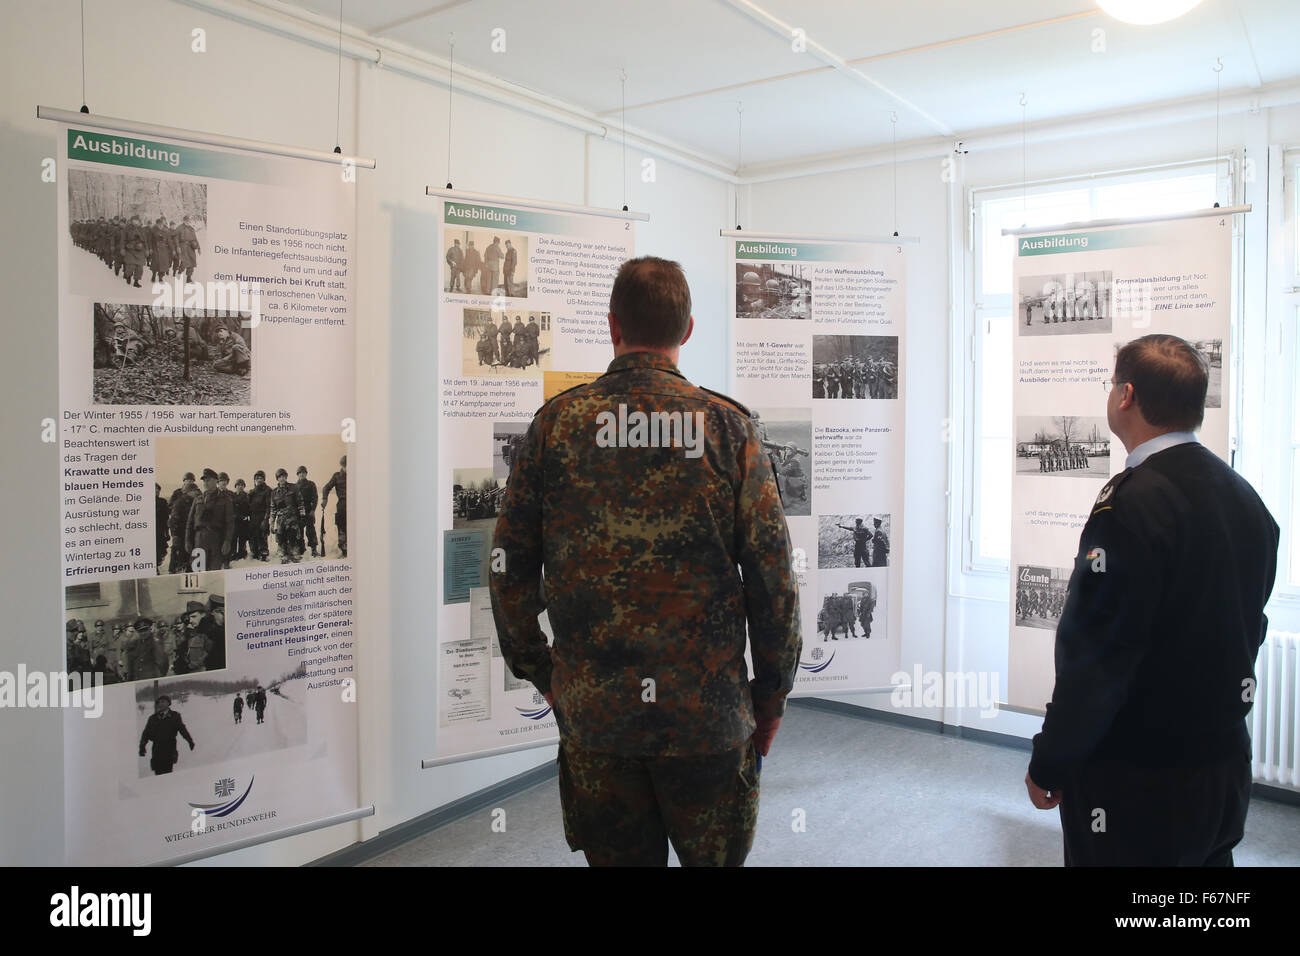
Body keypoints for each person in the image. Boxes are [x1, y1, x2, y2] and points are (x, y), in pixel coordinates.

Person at [490, 256, 801, 867]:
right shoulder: (729, 430)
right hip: (707, 719)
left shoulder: (558, 426)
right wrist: (771, 698)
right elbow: (775, 583)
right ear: (687, 331)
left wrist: (543, 671)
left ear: (612, 326)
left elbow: (507, 564)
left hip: (598, 722)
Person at [1025, 334, 1279, 867]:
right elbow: (1245, 627)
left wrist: (1051, 759)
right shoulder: (1244, 496)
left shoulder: (1130, 504)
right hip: (1222, 761)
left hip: (1139, 774)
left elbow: (1096, 657)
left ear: (1126, 396)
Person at [186, 468, 235, 571]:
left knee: (214, 572)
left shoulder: (226, 499)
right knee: (198, 570)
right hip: (199, 538)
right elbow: (190, 522)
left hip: (216, 539)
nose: (205, 483)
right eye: (204, 480)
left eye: (208, 480)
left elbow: (230, 523)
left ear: (216, 481)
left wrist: (227, 540)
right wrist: (187, 540)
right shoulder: (198, 498)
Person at [138, 696, 195, 775]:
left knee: (168, 773)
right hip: (156, 751)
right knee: (158, 774)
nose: (161, 704)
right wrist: (142, 746)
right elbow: (146, 733)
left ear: (168, 703)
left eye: (163, 701)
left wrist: (190, 741)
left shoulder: (175, 716)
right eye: (159, 702)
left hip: (170, 750)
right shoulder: (152, 718)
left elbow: (182, 730)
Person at [269, 468, 306, 563]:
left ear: (286, 477)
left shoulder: (294, 488)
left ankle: (295, 553)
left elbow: (300, 503)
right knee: (281, 537)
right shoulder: (274, 493)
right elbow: (273, 510)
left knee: (293, 536)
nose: (282, 478)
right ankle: (283, 554)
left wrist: (302, 516)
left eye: (284, 476)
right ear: (277, 478)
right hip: (281, 519)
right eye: (280, 477)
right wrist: (271, 523)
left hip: (292, 518)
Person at [321, 456, 347, 558]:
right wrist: (324, 499)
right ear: (342, 465)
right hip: (342, 505)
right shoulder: (337, 476)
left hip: (355, 505)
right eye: (345, 465)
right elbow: (326, 488)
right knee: (342, 527)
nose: (347, 467)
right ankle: (344, 549)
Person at [295, 466, 320, 557]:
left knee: (311, 531)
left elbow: (315, 498)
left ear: (306, 474)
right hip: (298, 512)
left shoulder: (311, 484)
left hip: (309, 510)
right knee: (299, 531)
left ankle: (314, 549)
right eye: (300, 473)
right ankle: (301, 549)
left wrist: (313, 510)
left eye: (303, 472)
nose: (302, 474)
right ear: (297, 475)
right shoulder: (295, 486)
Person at [248, 470, 272, 561]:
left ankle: (263, 553)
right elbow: (248, 505)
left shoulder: (267, 490)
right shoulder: (252, 491)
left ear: (264, 479)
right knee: (253, 535)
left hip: (262, 516)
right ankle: (254, 552)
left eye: (261, 478)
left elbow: (269, 506)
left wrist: (266, 519)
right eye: (257, 478)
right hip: (253, 517)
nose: (259, 480)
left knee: (262, 534)